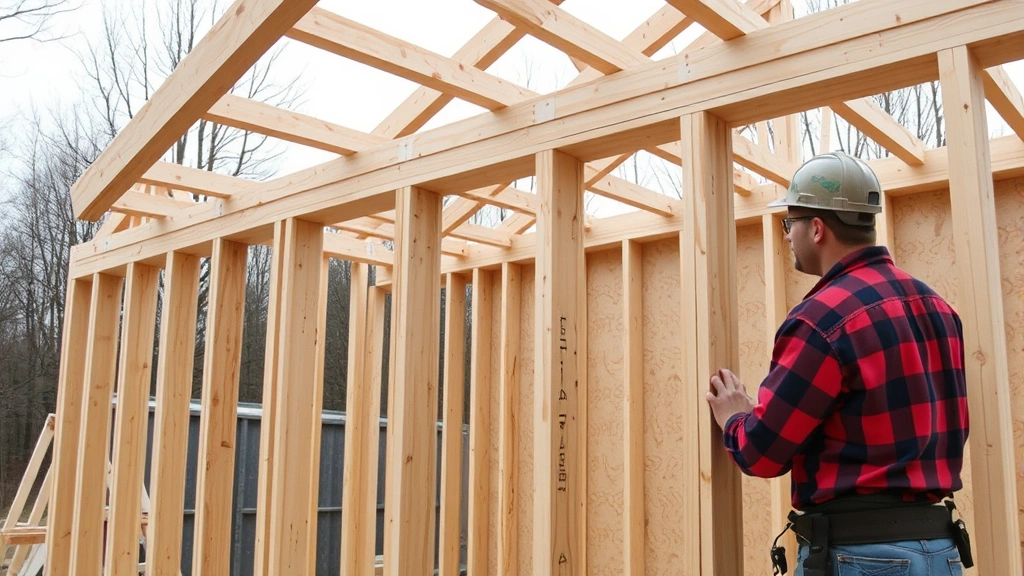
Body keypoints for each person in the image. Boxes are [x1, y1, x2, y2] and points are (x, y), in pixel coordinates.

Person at [705, 152, 971, 575]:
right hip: (941, 552)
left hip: (863, 557)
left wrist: (736, 418)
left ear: (816, 228)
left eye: (789, 223)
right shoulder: (937, 308)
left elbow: (762, 453)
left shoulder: (821, 319)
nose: (787, 236)